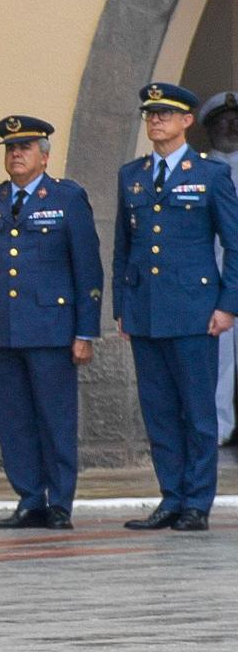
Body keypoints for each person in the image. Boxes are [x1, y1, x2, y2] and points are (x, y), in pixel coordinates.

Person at [113, 82, 238, 532]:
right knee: (160, 412)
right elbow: (124, 248)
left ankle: (197, 503)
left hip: (194, 311)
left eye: (165, 114)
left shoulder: (210, 174)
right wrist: (122, 307)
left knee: (197, 412)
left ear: (187, 121)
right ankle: (171, 497)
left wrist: (228, 305)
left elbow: (235, 243)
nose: (156, 121)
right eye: (150, 115)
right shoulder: (133, 175)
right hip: (146, 311)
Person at [0, 116, 102, 531]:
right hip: (3, 328)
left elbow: (87, 269)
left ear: (44, 156)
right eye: (10, 148)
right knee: (14, 420)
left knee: (55, 417)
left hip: (50, 329)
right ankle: (29, 498)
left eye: (24, 148)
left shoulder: (66, 198)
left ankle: (59, 502)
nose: (16, 155)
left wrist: (85, 331)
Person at [200, 91, 238, 445]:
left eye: (235, 119)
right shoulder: (200, 171)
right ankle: (221, 427)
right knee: (222, 358)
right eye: (221, 121)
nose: (229, 125)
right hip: (216, 275)